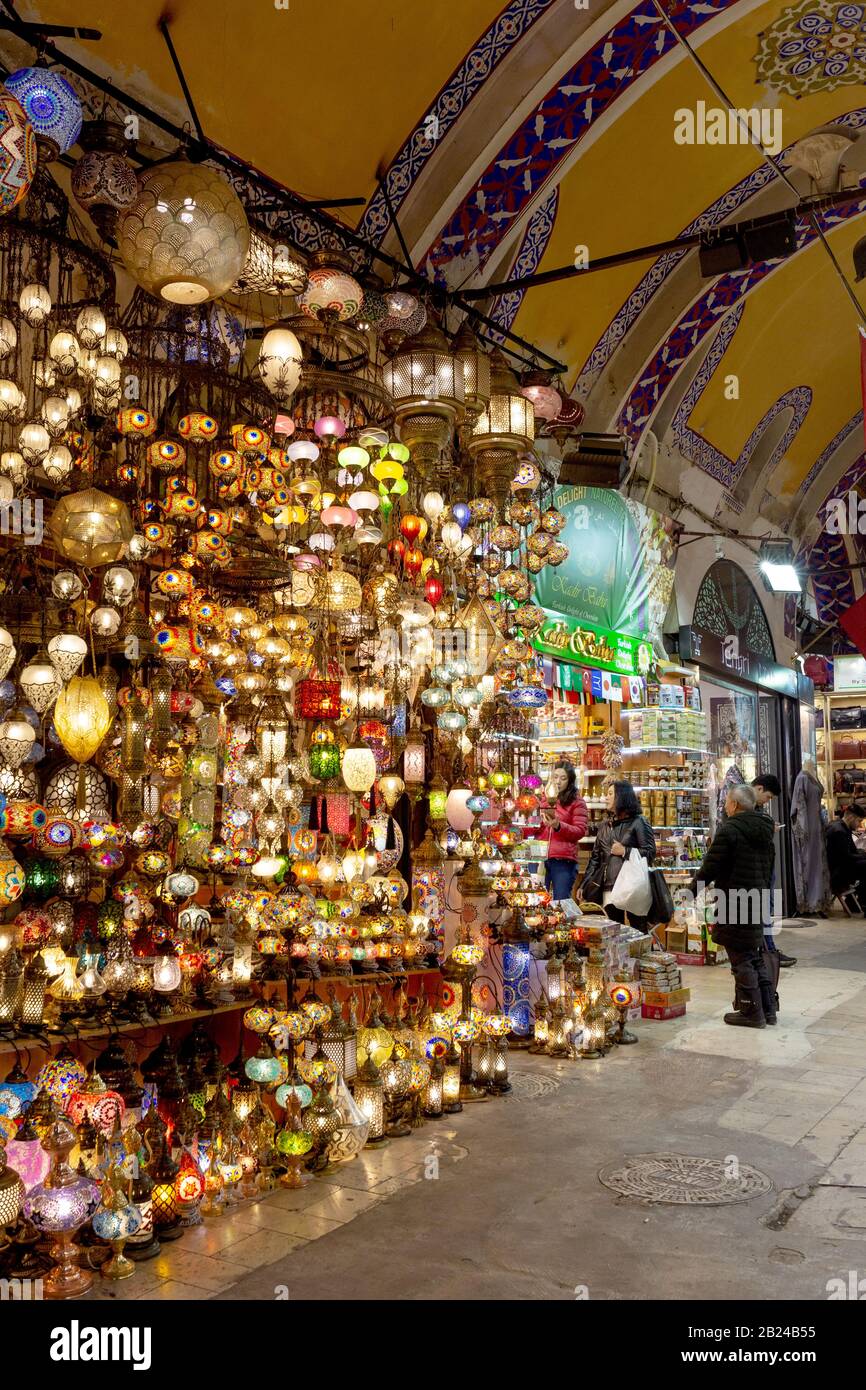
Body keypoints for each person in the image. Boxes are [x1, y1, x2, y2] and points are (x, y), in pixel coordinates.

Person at [688, 783, 776, 1028]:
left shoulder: (731, 830)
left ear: (735, 804)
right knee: (753, 954)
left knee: (740, 958)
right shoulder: (765, 830)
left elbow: (710, 867)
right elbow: (769, 870)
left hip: (734, 901)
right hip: (755, 899)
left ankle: (751, 1013)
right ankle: (768, 1010)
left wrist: (689, 893)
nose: (725, 805)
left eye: (727, 801)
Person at [580, 780, 655, 929]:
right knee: (613, 933)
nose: (606, 798)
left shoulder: (639, 822)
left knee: (638, 930)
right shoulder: (605, 826)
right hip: (610, 887)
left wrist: (625, 851)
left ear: (622, 796)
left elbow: (650, 852)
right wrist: (584, 883)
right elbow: (595, 858)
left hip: (633, 886)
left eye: (610, 794)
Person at [751, 773, 796, 969]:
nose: (768, 801)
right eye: (768, 797)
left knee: (765, 911)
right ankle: (769, 951)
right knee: (763, 912)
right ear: (759, 788)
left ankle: (768, 950)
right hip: (757, 870)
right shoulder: (743, 808)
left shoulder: (756, 809)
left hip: (765, 867)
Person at [539, 761, 588, 901]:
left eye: (563, 778)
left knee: (560, 902)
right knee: (539, 900)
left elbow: (580, 830)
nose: (558, 781)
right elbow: (536, 828)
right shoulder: (544, 799)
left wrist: (558, 826)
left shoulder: (577, 802)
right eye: (555, 777)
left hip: (563, 860)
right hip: (540, 857)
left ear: (570, 781)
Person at [790, 760, 830, 919]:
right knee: (809, 865)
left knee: (818, 865)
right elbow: (799, 807)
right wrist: (802, 832)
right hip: (808, 830)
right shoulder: (802, 778)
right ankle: (809, 902)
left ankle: (819, 900)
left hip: (817, 827)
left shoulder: (812, 775)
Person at [826, 801, 866, 910]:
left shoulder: (842, 827)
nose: (859, 825)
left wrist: (862, 854)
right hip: (836, 874)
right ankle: (862, 902)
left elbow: (852, 851)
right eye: (859, 821)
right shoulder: (839, 831)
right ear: (851, 817)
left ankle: (854, 902)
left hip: (839, 868)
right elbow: (846, 857)